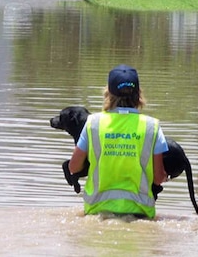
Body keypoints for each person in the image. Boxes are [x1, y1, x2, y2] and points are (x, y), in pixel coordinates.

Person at [69, 64, 169, 219]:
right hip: (139, 213)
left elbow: (74, 167)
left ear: (108, 93)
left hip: (96, 210)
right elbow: (158, 178)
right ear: (138, 95)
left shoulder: (93, 123)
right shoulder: (152, 127)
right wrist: (167, 175)